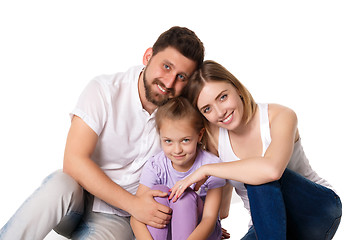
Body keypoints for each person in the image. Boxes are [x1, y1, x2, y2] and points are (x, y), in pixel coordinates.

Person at [0, 26, 205, 240]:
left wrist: (211, 221)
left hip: (119, 219)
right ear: (148, 56)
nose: (169, 82)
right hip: (78, 199)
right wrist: (134, 204)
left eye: (181, 76)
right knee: (58, 184)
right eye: (166, 66)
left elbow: (214, 158)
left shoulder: (183, 118)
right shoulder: (104, 90)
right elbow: (73, 161)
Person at [169, 60, 342, 240]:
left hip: (316, 211)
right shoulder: (214, 139)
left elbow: (272, 170)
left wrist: (206, 169)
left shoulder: (279, 116)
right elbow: (223, 209)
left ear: (236, 87)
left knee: (257, 176)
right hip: (268, 226)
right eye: (207, 109)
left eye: (222, 97)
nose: (220, 112)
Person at [130, 97, 226, 240]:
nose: (177, 150)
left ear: (199, 135)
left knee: (183, 196)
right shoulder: (156, 166)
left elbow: (209, 218)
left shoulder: (212, 166)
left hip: (200, 234)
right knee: (158, 194)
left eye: (185, 140)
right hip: (166, 234)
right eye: (168, 141)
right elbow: (136, 215)